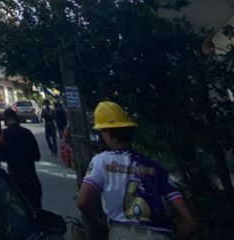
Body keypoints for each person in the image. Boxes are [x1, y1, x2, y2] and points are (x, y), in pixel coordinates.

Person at [77, 102, 196, 240]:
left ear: (108, 134)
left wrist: (101, 226)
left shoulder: (101, 162)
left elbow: (82, 202)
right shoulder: (154, 166)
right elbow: (189, 221)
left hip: (122, 233)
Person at [0, 108, 43, 210]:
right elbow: (37, 156)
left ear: (5, 120)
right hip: (31, 177)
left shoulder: (4, 135)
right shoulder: (27, 133)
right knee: (37, 209)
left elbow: (1, 157)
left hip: (15, 179)